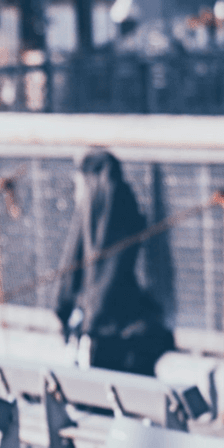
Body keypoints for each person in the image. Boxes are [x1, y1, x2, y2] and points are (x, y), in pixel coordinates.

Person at [52, 148, 176, 377]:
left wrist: (68, 311)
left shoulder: (91, 205)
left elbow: (72, 267)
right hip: (111, 328)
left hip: (96, 329)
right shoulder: (121, 201)